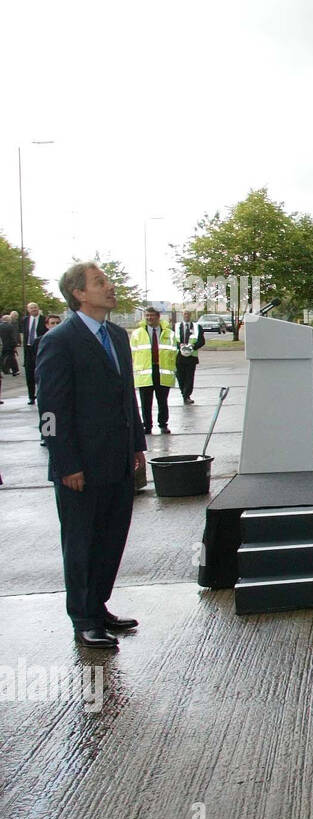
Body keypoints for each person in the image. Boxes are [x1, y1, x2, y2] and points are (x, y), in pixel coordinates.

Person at [37, 261, 147, 649]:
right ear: (79, 294)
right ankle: (82, 617)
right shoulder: (60, 340)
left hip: (117, 459)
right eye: (100, 282)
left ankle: (98, 607)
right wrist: (64, 462)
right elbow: (50, 410)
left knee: (111, 538)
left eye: (108, 281)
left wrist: (137, 445)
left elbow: (126, 396)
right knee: (82, 542)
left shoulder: (116, 336)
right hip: (80, 467)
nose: (110, 287)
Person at [130, 306, 177, 434]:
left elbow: (174, 353)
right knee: (146, 402)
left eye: (152, 315)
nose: (149, 318)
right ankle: (147, 426)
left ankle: (163, 424)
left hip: (162, 371)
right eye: (147, 316)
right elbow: (132, 354)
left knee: (163, 401)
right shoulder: (137, 334)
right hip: (145, 372)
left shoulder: (169, 334)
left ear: (158, 317)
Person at [20, 301, 48, 403]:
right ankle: (31, 396)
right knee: (29, 373)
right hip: (28, 349)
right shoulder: (25, 320)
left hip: (40, 348)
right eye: (31, 308)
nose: (33, 309)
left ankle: (42, 394)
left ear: (38, 308)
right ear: (28, 310)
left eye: (35, 307)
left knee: (41, 372)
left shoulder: (44, 320)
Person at [174, 309, 205, 404]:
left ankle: (186, 395)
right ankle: (183, 392)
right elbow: (171, 340)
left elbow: (202, 341)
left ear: (190, 315)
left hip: (191, 357)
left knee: (189, 377)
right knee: (180, 377)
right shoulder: (175, 327)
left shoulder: (197, 327)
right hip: (179, 356)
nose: (186, 315)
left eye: (188, 314)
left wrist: (193, 346)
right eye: (184, 314)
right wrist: (179, 345)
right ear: (182, 315)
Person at [0, 312, 18, 376]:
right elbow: (13, 337)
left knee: (2, 358)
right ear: (9, 320)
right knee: (11, 357)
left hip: (2, 345)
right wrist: (15, 345)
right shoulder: (11, 326)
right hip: (9, 345)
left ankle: (4, 370)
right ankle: (15, 370)